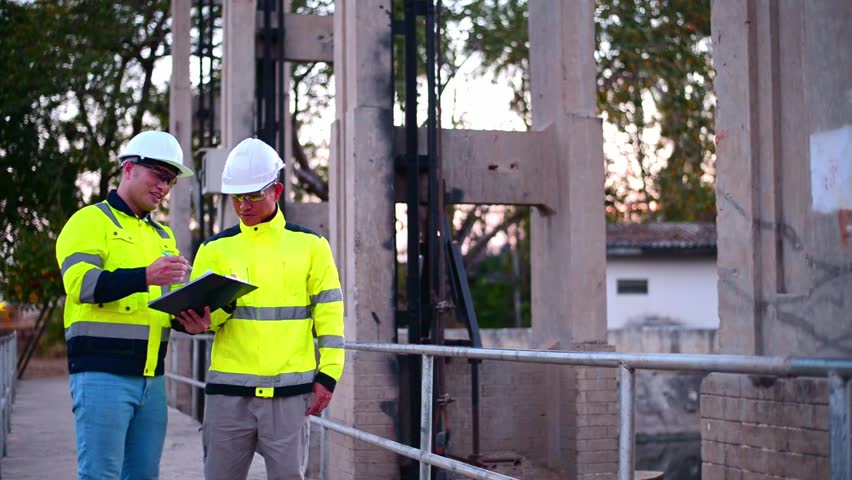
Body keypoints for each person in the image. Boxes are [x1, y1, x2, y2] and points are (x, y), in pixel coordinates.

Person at [175, 138, 344, 480]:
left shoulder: (311, 246)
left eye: (253, 195)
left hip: (290, 396)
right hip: (228, 397)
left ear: (277, 191)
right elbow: (213, 316)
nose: (243, 205)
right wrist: (200, 322)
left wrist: (329, 374)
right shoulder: (214, 249)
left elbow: (329, 313)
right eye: (237, 197)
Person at [55, 130, 201, 479]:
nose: (164, 187)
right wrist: (144, 275)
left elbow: (159, 307)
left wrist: (189, 320)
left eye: (170, 181)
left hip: (152, 379)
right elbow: (81, 285)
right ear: (129, 169)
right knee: (100, 475)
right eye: (159, 175)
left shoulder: (162, 236)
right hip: (101, 374)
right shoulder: (89, 222)